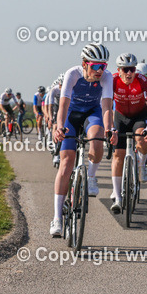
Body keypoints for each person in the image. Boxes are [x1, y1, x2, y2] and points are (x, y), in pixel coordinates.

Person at [50, 44, 114, 237]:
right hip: (71, 115)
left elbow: (107, 107)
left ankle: (91, 177)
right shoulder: (73, 74)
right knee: (66, 163)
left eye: (103, 65)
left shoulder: (107, 77)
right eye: (96, 66)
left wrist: (110, 128)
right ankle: (57, 218)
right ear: (85, 63)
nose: (100, 70)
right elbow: (63, 105)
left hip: (92, 113)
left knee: (97, 139)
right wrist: (59, 126)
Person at [109, 53, 147, 214]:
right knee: (118, 155)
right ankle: (117, 196)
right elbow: (107, 105)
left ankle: (142, 165)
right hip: (120, 117)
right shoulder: (113, 80)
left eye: (132, 69)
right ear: (119, 70)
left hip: (139, 117)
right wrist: (109, 127)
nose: (129, 73)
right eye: (125, 69)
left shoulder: (142, 80)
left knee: (142, 140)